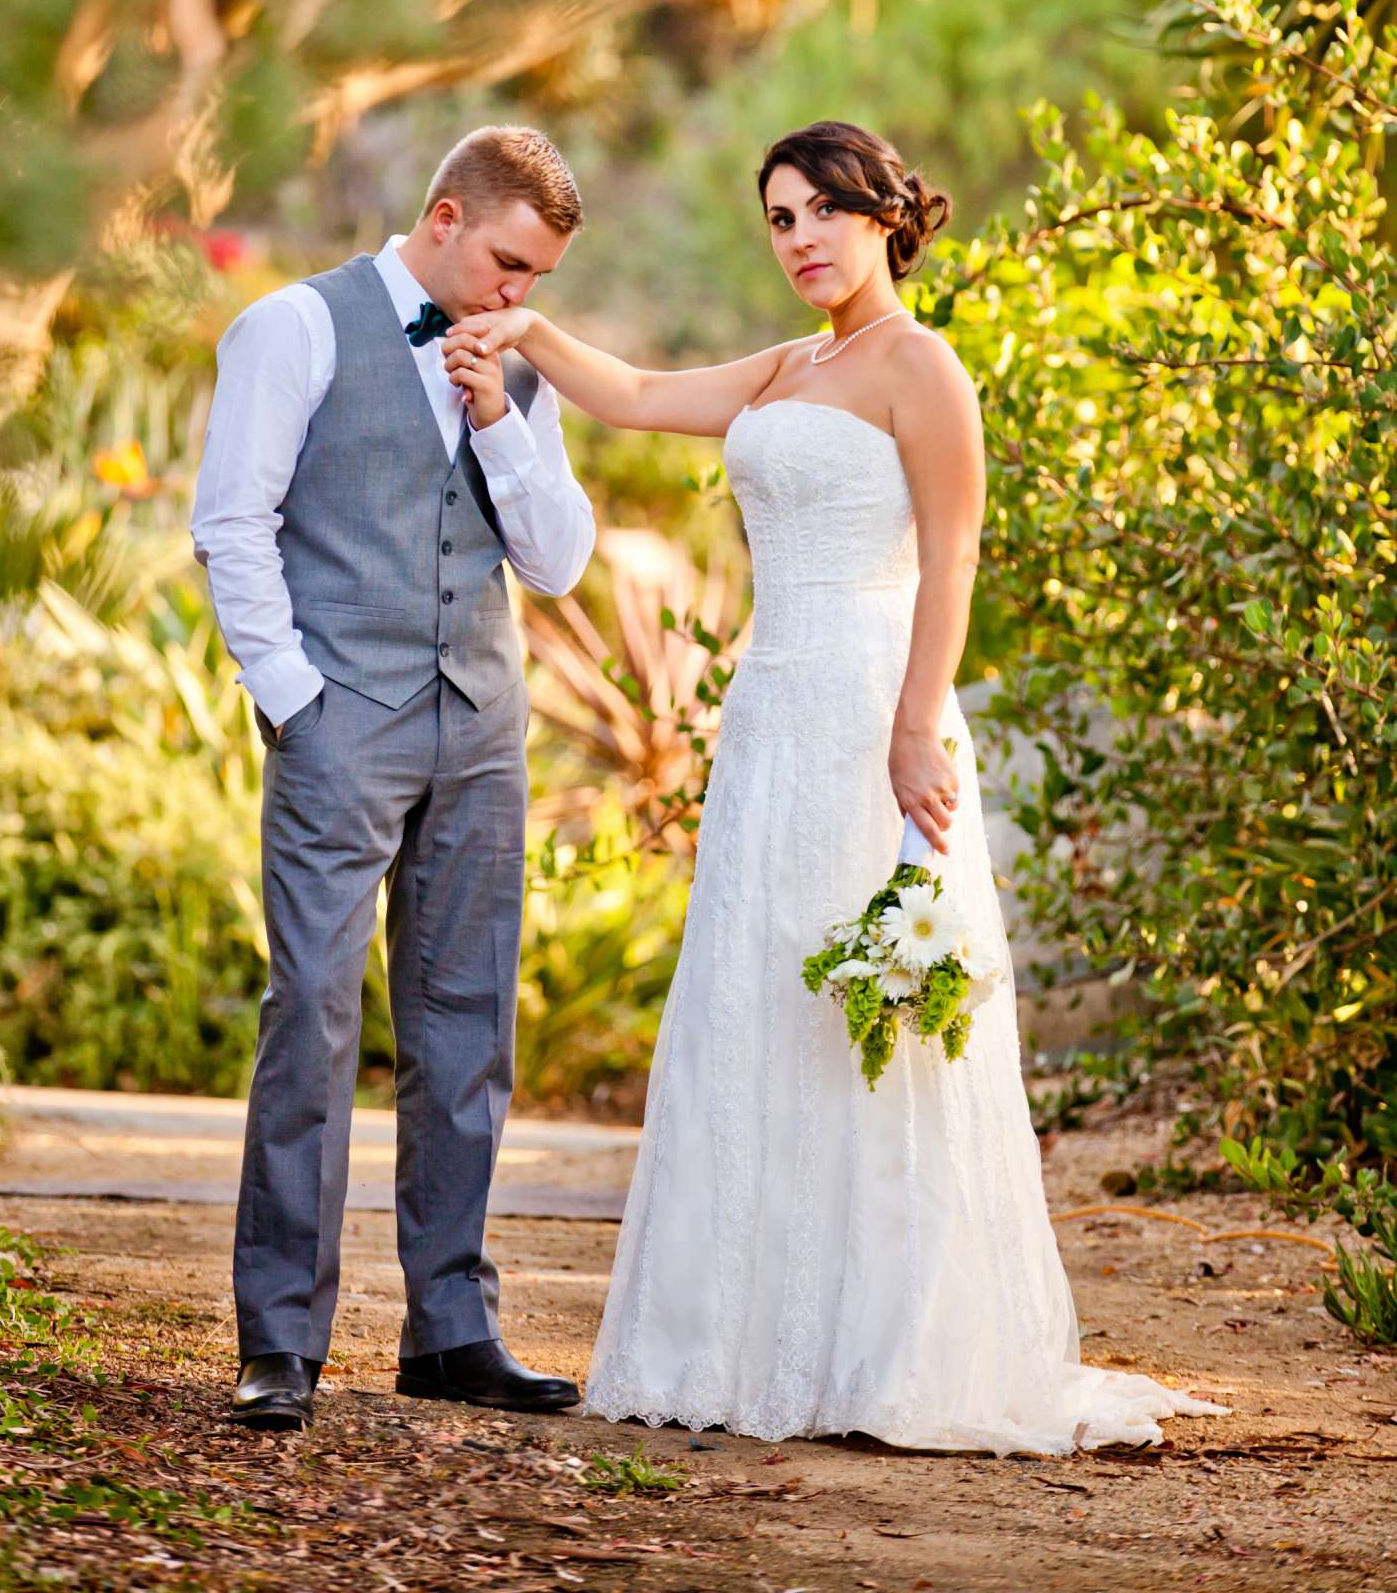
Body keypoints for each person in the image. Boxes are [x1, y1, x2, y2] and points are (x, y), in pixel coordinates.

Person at [442, 118, 1222, 1454]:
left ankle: (886, 1349)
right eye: (779, 220)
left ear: (881, 215)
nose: (799, 240)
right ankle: (740, 1344)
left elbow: (957, 557)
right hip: (770, 720)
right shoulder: (795, 363)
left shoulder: (922, 367)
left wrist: (919, 726)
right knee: (757, 1000)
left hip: (873, 714)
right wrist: (526, 340)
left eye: (819, 212)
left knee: (877, 1011)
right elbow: (634, 392)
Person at [192, 126, 597, 1431]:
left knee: (467, 1020)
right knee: (309, 1010)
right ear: (443, 216)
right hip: (342, 715)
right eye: (507, 264)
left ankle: (453, 1330)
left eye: (537, 277)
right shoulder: (294, 328)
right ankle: (282, 1339)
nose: (516, 294)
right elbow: (230, 520)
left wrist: (498, 412)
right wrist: (294, 696)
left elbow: (558, 561)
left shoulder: (514, 362)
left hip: (480, 723)